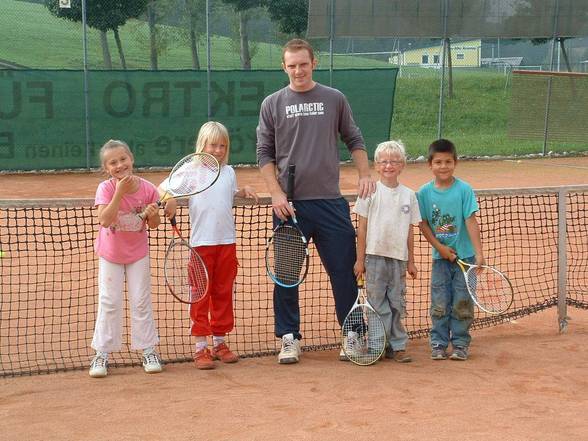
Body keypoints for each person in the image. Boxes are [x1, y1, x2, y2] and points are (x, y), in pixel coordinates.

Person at [256, 38, 375, 364]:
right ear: (284, 67)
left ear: (313, 63)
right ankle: (289, 337)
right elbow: (264, 153)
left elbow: (354, 138)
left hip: (330, 203)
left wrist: (365, 173)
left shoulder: (334, 99)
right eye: (291, 65)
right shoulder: (272, 104)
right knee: (287, 275)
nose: (298, 70)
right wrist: (276, 193)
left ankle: (352, 333)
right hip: (289, 207)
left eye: (303, 64)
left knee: (344, 272)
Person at [163, 121, 258, 370]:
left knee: (223, 293)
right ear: (202, 145)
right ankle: (200, 347)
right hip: (200, 246)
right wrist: (170, 198)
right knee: (200, 296)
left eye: (222, 146)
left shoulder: (228, 172)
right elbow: (162, 189)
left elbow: (227, 193)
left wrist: (242, 191)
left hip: (227, 244)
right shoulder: (191, 171)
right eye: (213, 145)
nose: (217, 150)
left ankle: (219, 342)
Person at [89, 139, 163, 378]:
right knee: (109, 301)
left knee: (141, 301)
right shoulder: (106, 188)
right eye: (113, 163)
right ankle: (102, 353)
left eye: (123, 159)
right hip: (110, 254)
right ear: (106, 168)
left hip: (137, 254)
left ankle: (148, 350)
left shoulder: (148, 188)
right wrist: (120, 191)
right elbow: (105, 220)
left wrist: (153, 214)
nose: (119, 165)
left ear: (131, 159)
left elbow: (153, 223)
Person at [416, 139, 485, 361]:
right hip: (440, 260)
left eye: (448, 161)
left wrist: (479, 253)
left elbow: (471, 221)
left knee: (463, 302)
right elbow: (423, 224)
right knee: (439, 302)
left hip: (466, 258)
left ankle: (460, 344)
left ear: (455, 162)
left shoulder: (464, 190)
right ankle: (438, 343)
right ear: (430, 164)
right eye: (438, 162)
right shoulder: (424, 193)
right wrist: (441, 248)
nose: (443, 166)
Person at [352, 140, 421, 363]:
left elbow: (410, 231)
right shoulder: (369, 192)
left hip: (399, 260)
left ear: (402, 165)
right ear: (376, 165)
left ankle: (397, 346)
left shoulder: (409, 195)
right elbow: (361, 228)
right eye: (384, 162)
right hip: (373, 259)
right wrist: (359, 260)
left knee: (396, 303)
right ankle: (376, 345)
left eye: (394, 161)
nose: (388, 166)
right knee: (375, 304)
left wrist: (411, 261)